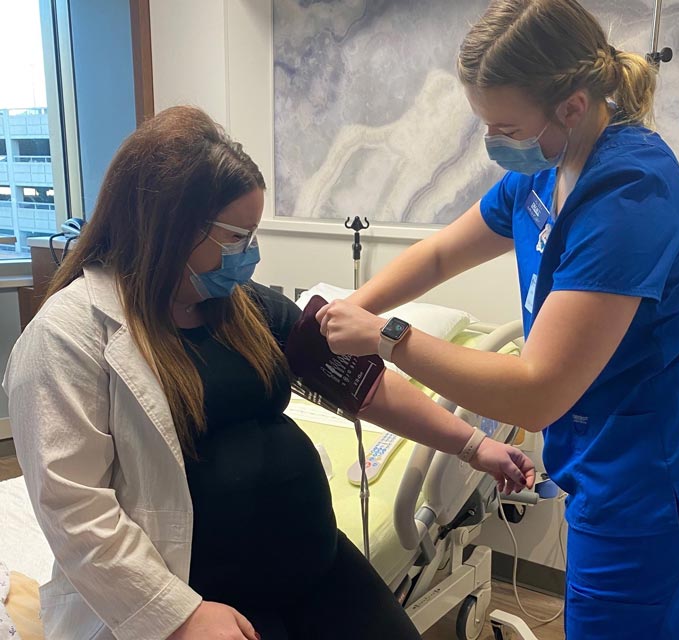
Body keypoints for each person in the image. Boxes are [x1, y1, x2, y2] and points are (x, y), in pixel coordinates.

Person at [315, 1, 679, 638]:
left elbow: (537, 394)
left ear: (572, 107)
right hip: (610, 466)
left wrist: (387, 337)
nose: (493, 142)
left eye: (503, 125)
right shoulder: (545, 170)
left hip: (662, 488)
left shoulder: (629, 198)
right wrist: (360, 303)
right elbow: (445, 250)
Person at [2, 106, 533, 640]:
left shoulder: (243, 306)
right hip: (201, 596)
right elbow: (74, 507)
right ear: (167, 227)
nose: (249, 254)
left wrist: (473, 446)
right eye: (235, 237)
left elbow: (366, 390)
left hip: (316, 566)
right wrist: (179, 614)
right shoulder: (68, 338)